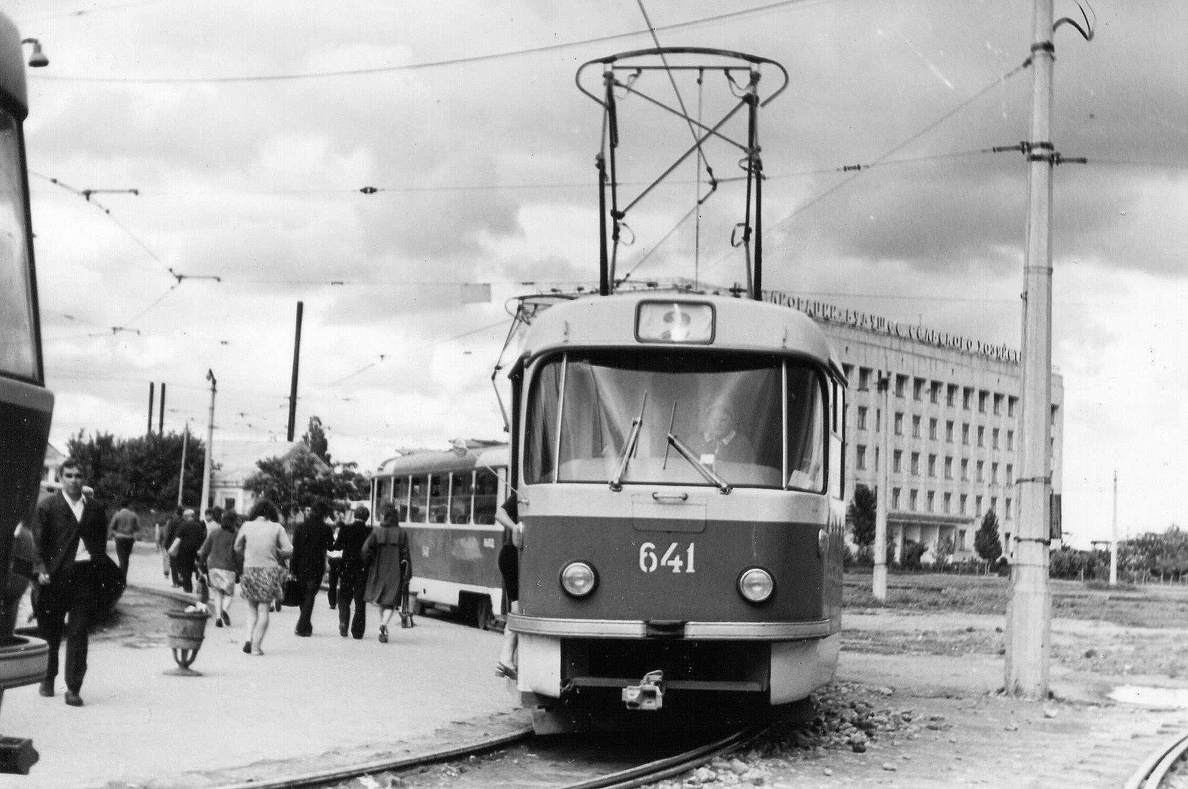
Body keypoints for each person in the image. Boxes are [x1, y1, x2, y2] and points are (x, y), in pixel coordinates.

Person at [32, 459, 108, 707]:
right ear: (61, 479)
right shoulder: (48, 507)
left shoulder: (95, 508)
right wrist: (40, 569)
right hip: (55, 578)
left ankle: (74, 687)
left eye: (78, 475)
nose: (74, 480)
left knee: (78, 633)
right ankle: (48, 677)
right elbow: (37, 543)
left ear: (84, 479)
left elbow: (100, 542)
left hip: (84, 577)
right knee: (50, 631)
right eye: (69, 475)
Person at [233, 500, 292, 655]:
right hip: (269, 571)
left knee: (251, 608)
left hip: (250, 569)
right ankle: (256, 647)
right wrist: (277, 552)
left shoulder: (246, 525)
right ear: (272, 513)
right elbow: (289, 549)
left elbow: (237, 547)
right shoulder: (277, 527)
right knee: (264, 609)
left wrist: (248, 554)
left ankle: (248, 638)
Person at [361, 506, 411, 644]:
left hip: (378, 569)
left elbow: (365, 550)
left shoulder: (376, 532)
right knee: (390, 602)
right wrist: (408, 574)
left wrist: (370, 562)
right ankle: (383, 626)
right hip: (395, 571)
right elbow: (406, 554)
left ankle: (383, 626)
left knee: (382, 599)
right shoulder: (402, 533)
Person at [290, 502, 334, 637]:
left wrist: (292, 568)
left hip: (300, 564)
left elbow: (295, 549)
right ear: (324, 515)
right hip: (316, 564)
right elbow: (331, 547)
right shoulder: (325, 528)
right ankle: (303, 625)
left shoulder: (300, 527)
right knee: (310, 594)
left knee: (304, 594)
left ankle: (305, 624)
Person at [331, 505, 371, 639]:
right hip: (363, 569)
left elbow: (337, 546)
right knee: (360, 600)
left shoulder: (346, 529)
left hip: (347, 567)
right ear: (367, 518)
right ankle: (357, 631)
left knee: (343, 597)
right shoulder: (370, 531)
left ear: (355, 516)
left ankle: (343, 622)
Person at [495, 494, 522, 680]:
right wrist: (516, 528)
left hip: (513, 555)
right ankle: (505, 659)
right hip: (513, 555)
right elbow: (500, 513)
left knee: (517, 607)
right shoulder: (523, 494)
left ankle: (505, 660)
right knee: (517, 607)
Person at [198, 509, 240, 627]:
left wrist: (202, 565)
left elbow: (205, 550)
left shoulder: (214, 532)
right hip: (229, 568)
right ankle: (225, 610)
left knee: (217, 594)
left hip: (213, 567)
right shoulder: (235, 535)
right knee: (229, 594)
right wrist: (240, 571)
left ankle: (218, 618)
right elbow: (238, 554)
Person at [691, 402, 756, 466]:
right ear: (707, 421)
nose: (718, 424)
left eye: (723, 420)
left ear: (731, 421)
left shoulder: (742, 445)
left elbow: (745, 472)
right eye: (714, 419)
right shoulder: (695, 441)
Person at [170, 509, 206, 595]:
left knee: (185, 569)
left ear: (185, 517)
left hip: (184, 550)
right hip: (195, 550)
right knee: (194, 567)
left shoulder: (183, 525)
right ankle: (196, 586)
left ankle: (188, 588)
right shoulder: (198, 525)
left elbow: (178, 537)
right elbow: (202, 538)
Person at [108, 501, 139, 577]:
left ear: (121, 506)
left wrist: (115, 534)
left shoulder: (117, 514)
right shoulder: (133, 515)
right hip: (129, 538)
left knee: (121, 557)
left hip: (119, 537)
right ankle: (123, 575)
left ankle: (121, 576)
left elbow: (111, 526)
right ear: (129, 506)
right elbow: (138, 527)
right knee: (126, 558)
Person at [326, 511, 344, 609]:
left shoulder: (333, 537)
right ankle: (341, 601)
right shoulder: (345, 537)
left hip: (333, 561)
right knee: (342, 583)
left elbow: (328, 551)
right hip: (342, 561)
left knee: (332, 584)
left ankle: (332, 603)